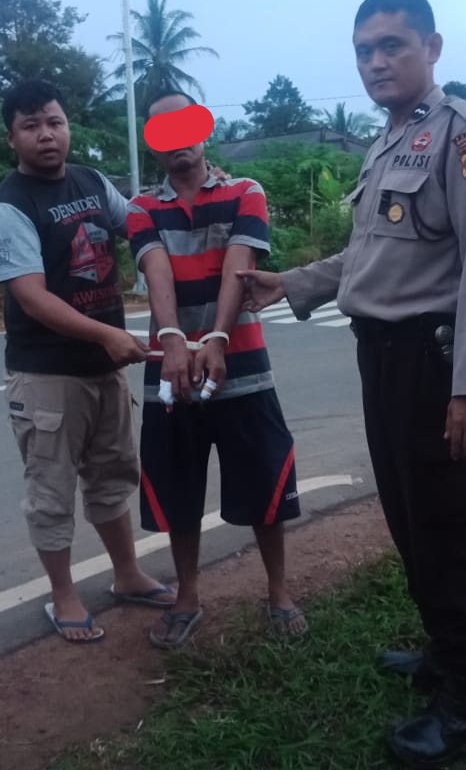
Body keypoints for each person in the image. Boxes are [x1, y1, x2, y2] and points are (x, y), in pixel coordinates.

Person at [237, 0, 466, 767]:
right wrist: (292, 283)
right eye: (364, 51)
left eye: (393, 45)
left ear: (432, 48)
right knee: (408, 514)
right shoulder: (388, 142)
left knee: (448, 525)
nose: (377, 62)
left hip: (433, 362)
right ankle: (443, 652)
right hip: (381, 357)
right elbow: (370, 255)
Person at [0, 78, 176, 644]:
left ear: (68, 127)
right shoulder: (10, 206)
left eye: (55, 122)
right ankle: (63, 594)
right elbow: (32, 297)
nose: (46, 135)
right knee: (51, 490)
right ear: (11, 138)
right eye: (31, 126)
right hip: (47, 374)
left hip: (102, 367)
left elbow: (138, 226)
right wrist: (107, 335)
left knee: (113, 474)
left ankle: (127, 574)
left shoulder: (91, 182)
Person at [127, 89, 307, 651]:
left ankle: (278, 592)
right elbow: (156, 271)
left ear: (203, 129)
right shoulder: (141, 208)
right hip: (172, 371)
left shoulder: (245, 192)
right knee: (177, 488)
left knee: (265, 484)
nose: (177, 140)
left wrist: (218, 340)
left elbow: (239, 265)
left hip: (243, 366)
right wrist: (175, 341)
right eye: (163, 131)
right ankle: (187, 597)